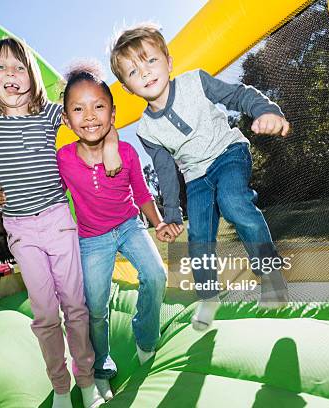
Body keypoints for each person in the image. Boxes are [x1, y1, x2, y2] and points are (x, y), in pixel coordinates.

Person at [0, 38, 120, 408]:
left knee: (75, 308)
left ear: (31, 75)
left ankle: (87, 379)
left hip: (58, 219)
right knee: (45, 314)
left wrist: (109, 144)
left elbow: (94, 117)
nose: (10, 74)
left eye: (18, 67)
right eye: (0, 67)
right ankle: (60, 386)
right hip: (19, 228)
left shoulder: (48, 112)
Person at [109, 23, 290, 331]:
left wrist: (265, 110)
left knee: (233, 202)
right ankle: (209, 296)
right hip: (196, 178)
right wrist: (171, 214)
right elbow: (166, 172)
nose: (146, 73)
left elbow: (237, 95)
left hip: (228, 153)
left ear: (168, 60)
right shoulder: (146, 130)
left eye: (151, 61)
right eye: (134, 72)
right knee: (198, 238)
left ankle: (271, 277)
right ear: (127, 87)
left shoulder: (196, 82)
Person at [56, 63, 173, 401]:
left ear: (112, 114)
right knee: (95, 308)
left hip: (129, 225)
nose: (89, 115)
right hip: (92, 239)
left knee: (156, 274)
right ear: (67, 119)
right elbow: (50, 196)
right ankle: (101, 368)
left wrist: (159, 220)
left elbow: (141, 192)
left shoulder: (126, 152)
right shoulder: (63, 159)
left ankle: (145, 338)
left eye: (98, 106)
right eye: (78, 108)